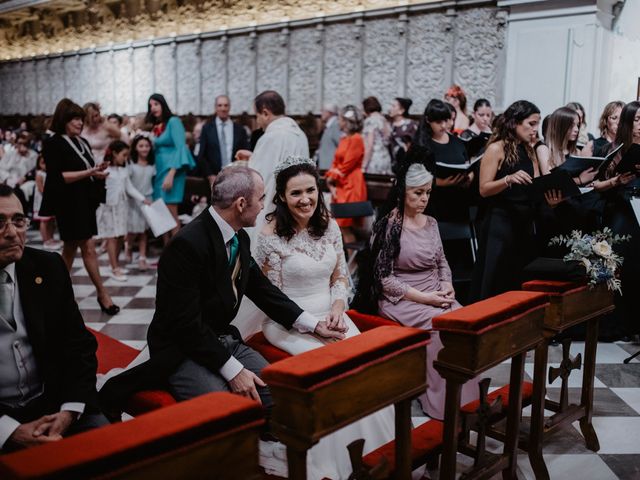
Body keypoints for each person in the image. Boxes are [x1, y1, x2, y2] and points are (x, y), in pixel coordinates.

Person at [99, 166, 344, 413]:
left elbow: (263, 291)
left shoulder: (240, 238)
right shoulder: (186, 245)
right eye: (260, 199)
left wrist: (314, 325)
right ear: (240, 204)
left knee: (276, 393)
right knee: (227, 408)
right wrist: (234, 370)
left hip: (224, 339)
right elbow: (186, 325)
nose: (263, 206)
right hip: (183, 349)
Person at [252, 157, 394, 479]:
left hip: (332, 314)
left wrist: (337, 308)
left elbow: (340, 276)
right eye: (296, 194)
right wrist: (311, 324)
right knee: (335, 373)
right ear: (282, 198)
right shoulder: (270, 234)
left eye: (310, 191)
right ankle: (337, 459)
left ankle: (378, 450)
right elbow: (270, 298)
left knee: (365, 364)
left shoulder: (328, 224)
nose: (305, 200)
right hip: (288, 322)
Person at [0, 185, 108, 452]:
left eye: (18, 221)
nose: (12, 233)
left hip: (53, 402)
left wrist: (69, 410)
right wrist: (8, 430)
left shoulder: (47, 267)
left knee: (109, 450)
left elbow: (79, 345)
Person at [368, 162, 479, 419]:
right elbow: (384, 279)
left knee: (466, 323)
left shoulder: (431, 223)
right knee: (442, 330)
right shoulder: (388, 226)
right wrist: (426, 298)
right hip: (402, 297)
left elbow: (442, 262)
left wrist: (447, 285)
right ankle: (441, 403)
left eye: (428, 192)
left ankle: (469, 400)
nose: (424, 199)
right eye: (418, 193)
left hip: (435, 292)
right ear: (403, 191)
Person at [40, 98, 118, 315]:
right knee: (88, 247)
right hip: (67, 203)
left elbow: (86, 169)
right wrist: (90, 172)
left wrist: (97, 171)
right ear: (63, 120)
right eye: (75, 119)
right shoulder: (53, 142)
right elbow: (59, 176)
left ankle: (55, 291)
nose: (80, 123)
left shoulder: (82, 142)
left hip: (83, 201)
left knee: (70, 248)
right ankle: (102, 293)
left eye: (81, 119)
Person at [470, 100, 542, 301]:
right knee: (494, 280)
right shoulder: (496, 148)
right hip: (500, 222)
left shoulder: (529, 149)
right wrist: (508, 179)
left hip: (524, 221)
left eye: (537, 124)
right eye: (531, 124)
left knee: (516, 280)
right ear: (515, 123)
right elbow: (484, 189)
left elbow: (535, 182)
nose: (535, 129)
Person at [235, 90, 310, 246]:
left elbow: (258, 179)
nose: (258, 121)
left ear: (265, 113)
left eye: (257, 116)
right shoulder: (299, 134)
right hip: (295, 207)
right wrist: (253, 156)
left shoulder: (271, 137)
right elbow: (283, 166)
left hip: (272, 211)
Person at [96, 140, 150, 282]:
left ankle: (114, 264)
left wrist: (143, 199)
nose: (125, 158)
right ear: (114, 153)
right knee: (112, 237)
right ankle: (114, 268)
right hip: (109, 207)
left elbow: (129, 188)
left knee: (120, 236)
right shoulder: (104, 170)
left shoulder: (124, 169)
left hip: (122, 206)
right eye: (123, 155)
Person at [147, 93, 196, 239]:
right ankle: (166, 253)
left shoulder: (174, 121)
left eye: (156, 104)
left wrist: (171, 174)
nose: (153, 108)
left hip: (172, 171)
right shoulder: (157, 126)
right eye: (150, 106)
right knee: (161, 213)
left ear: (163, 104)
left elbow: (181, 147)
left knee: (170, 211)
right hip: (159, 171)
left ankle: (178, 254)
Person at [325, 105, 367, 245]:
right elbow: (336, 161)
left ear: (346, 121)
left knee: (345, 225)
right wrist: (331, 180)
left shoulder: (356, 139)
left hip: (351, 184)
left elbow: (348, 164)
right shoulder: (344, 139)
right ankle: (350, 262)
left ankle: (354, 264)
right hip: (340, 183)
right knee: (341, 225)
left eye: (340, 118)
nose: (338, 121)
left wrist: (332, 177)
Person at [198, 95, 250, 185]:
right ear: (215, 107)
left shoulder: (240, 129)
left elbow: (246, 153)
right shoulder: (207, 128)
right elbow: (202, 155)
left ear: (229, 107)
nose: (223, 108)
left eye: (226, 105)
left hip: (236, 177)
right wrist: (210, 175)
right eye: (220, 105)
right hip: (213, 178)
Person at [125, 135, 155, 271]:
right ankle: (129, 246)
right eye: (141, 146)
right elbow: (128, 185)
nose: (144, 149)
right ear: (135, 148)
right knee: (132, 230)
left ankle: (142, 257)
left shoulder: (152, 165)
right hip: (134, 201)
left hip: (148, 200)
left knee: (143, 231)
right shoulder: (130, 164)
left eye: (147, 146)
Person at [32, 155, 61, 250]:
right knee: (44, 220)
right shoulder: (39, 174)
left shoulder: (50, 173)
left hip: (50, 199)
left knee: (51, 220)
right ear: (38, 164)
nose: (45, 165)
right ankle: (45, 240)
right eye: (43, 163)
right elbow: (41, 189)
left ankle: (51, 238)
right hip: (42, 200)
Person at [361, 96, 392, 175]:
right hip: (385, 157)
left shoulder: (370, 121)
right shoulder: (384, 120)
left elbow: (369, 145)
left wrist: (363, 166)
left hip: (374, 158)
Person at [389, 97, 417, 164]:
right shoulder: (389, 125)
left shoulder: (410, 124)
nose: (390, 109)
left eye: (393, 106)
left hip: (405, 161)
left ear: (401, 110)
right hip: (391, 162)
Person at [315, 103, 342, 170]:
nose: (321, 113)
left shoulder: (335, 126)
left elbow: (341, 146)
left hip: (330, 168)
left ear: (330, 112)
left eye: (323, 111)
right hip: (327, 167)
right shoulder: (330, 126)